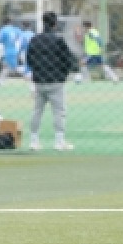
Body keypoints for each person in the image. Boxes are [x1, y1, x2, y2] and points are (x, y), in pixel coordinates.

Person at [27, 11, 78, 151]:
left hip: (39, 80)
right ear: (55, 23)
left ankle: (33, 140)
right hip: (55, 80)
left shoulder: (34, 39)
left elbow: (29, 59)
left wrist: (36, 72)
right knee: (59, 111)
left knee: (37, 111)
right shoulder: (58, 40)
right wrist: (63, 75)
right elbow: (67, 60)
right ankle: (59, 141)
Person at [0, 17, 22, 86]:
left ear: (3, 23)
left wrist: (5, 41)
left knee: (14, 67)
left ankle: (29, 74)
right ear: (10, 22)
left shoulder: (3, 30)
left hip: (8, 50)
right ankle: (0, 81)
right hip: (16, 49)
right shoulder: (16, 29)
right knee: (6, 65)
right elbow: (21, 37)